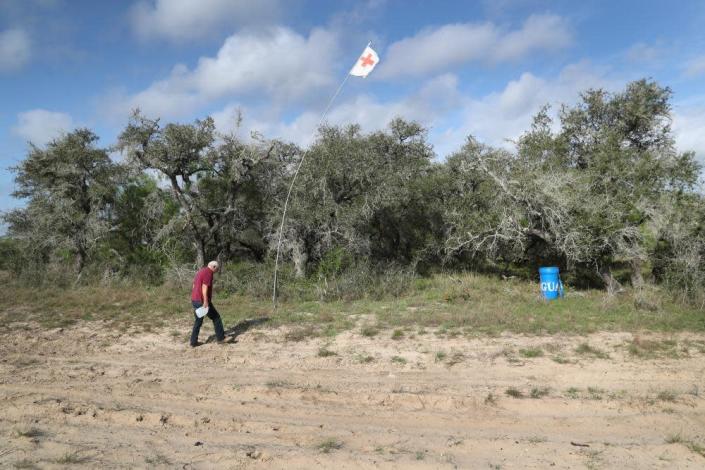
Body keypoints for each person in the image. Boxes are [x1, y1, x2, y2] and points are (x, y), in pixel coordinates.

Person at [190, 260, 226, 347]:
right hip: (202, 301)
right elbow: (204, 287)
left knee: (198, 321)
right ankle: (221, 339)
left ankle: (193, 342)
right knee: (216, 318)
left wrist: (195, 296)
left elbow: (194, 285)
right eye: (217, 269)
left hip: (195, 299)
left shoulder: (201, 271)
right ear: (213, 267)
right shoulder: (208, 273)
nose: (217, 270)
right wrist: (206, 301)